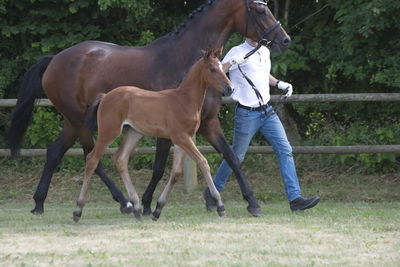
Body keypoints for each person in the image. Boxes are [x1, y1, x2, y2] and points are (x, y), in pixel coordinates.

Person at [203, 38, 320, 213]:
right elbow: (218, 72)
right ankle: (213, 191)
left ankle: (295, 199)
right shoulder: (236, 51)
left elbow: (263, 73)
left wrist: (280, 84)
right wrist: (231, 62)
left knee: (285, 150)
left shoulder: (264, 50)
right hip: (246, 113)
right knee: (237, 156)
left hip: (267, 111)